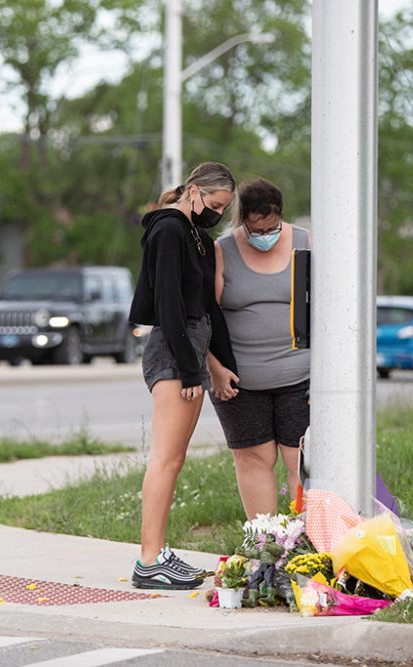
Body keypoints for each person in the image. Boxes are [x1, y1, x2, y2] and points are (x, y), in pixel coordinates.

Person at [128, 162, 240, 590]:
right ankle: (148, 560)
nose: (217, 213)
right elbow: (170, 304)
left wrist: (219, 366)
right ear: (194, 191)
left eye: (224, 208)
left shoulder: (199, 236)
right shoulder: (169, 229)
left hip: (192, 348)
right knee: (165, 458)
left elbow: (205, 311)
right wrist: (191, 367)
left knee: (174, 460)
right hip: (174, 352)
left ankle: (158, 553)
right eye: (214, 204)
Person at [208, 177, 310, 521]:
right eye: (256, 229)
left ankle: (307, 546)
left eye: (272, 227)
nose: (264, 235)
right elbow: (206, 314)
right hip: (240, 383)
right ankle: (266, 544)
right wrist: (214, 369)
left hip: (301, 376)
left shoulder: (305, 242)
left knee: (302, 458)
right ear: (242, 220)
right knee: (254, 459)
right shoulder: (223, 250)